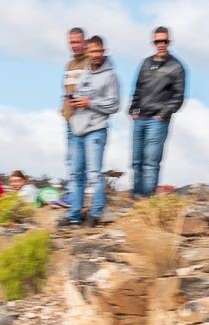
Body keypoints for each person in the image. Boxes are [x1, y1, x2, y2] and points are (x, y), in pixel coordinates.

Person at [66, 36, 119, 227]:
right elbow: (84, 98)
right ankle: (74, 215)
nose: (96, 55)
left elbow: (114, 105)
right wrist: (76, 102)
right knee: (75, 174)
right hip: (78, 128)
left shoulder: (111, 76)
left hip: (96, 129)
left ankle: (96, 213)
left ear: (104, 51)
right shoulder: (85, 74)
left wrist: (90, 103)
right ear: (87, 52)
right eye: (92, 51)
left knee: (94, 173)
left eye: (99, 51)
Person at [129, 26, 186, 198]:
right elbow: (138, 88)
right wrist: (133, 108)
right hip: (140, 117)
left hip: (158, 120)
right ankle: (136, 198)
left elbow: (178, 97)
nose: (161, 44)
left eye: (164, 41)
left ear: (169, 42)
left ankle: (147, 200)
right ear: (153, 43)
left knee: (150, 163)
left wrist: (163, 114)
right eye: (157, 41)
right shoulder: (145, 63)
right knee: (136, 161)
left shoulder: (177, 67)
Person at [61, 26, 88, 172]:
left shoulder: (90, 62)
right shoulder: (69, 64)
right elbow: (66, 89)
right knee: (70, 161)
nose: (74, 46)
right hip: (69, 119)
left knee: (80, 165)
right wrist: (64, 110)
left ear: (84, 42)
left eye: (77, 42)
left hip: (84, 119)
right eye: (71, 42)